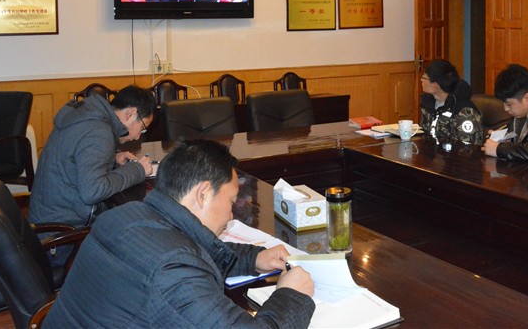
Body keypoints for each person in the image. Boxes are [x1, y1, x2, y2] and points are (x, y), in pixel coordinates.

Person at [43, 140, 315, 328]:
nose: (231, 215)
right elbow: (180, 264)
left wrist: (253, 259)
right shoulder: (174, 270)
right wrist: (291, 295)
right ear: (203, 193)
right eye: (231, 201)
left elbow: (194, 249)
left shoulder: (123, 215)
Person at [30, 86, 156, 227]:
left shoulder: (87, 117)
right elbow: (93, 192)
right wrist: (138, 170)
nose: (138, 136)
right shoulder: (99, 133)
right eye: (142, 128)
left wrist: (112, 157)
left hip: (46, 214)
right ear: (130, 114)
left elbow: (77, 155)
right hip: (63, 229)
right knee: (139, 224)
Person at [419, 59, 483, 145]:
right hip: (430, 151)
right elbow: (424, 134)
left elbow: (468, 147)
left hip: (454, 153)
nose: (421, 80)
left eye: (424, 78)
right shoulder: (428, 102)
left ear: (436, 85)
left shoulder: (464, 111)